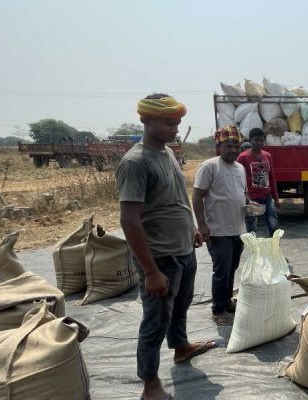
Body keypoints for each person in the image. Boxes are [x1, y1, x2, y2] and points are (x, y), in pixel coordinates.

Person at [117, 93, 217, 400]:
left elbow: (176, 198)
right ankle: (150, 386)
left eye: (178, 123)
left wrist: (191, 229)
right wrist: (150, 272)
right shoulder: (136, 162)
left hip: (183, 250)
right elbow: (130, 221)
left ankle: (181, 346)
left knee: (181, 306)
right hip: (159, 258)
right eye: (168, 123)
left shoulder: (168, 153)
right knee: (155, 320)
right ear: (146, 120)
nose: (175, 128)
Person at [193, 124, 252, 326]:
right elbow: (197, 196)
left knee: (232, 267)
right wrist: (201, 225)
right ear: (219, 146)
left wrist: (250, 204)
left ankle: (226, 301)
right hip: (218, 230)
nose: (233, 150)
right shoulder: (209, 166)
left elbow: (242, 194)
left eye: (236, 146)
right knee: (222, 270)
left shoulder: (240, 168)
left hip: (238, 229)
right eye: (228, 146)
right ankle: (218, 310)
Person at [236, 127, 281, 237]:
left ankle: (275, 251)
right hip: (252, 199)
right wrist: (245, 199)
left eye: (261, 140)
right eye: (256, 140)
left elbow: (271, 177)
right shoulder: (242, 158)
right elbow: (239, 180)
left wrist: (276, 198)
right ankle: (253, 252)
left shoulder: (267, 155)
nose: (259, 143)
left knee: (273, 225)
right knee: (251, 228)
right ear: (250, 141)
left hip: (267, 196)